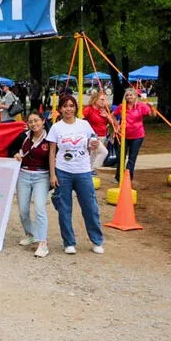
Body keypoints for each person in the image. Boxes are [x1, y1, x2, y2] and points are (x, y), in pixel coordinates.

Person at [47, 95, 104, 255]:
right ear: (60, 109)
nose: (68, 109)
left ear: (75, 108)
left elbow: (93, 143)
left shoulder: (84, 125)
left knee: (90, 207)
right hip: (63, 171)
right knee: (64, 208)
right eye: (65, 106)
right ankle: (69, 242)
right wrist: (53, 174)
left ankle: (97, 240)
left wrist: (94, 144)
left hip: (83, 171)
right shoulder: (56, 128)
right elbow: (52, 152)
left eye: (71, 106)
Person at [11, 112, 50, 258]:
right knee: (23, 210)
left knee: (40, 208)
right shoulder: (23, 136)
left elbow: (54, 157)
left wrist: (54, 177)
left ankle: (43, 243)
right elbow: (11, 148)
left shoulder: (50, 138)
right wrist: (14, 153)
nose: (34, 124)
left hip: (42, 176)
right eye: (30, 121)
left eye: (36, 121)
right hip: (24, 175)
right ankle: (30, 234)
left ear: (43, 121)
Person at [112, 88, 157, 181]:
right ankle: (118, 176)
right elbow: (112, 115)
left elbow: (153, 115)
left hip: (137, 135)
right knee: (121, 157)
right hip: (123, 135)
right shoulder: (122, 106)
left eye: (131, 95)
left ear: (135, 96)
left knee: (132, 158)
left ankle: (128, 178)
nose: (129, 97)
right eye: (127, 95)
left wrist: (152, 107)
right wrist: (117, 125)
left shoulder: (141, 106)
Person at [83, 91, 117, 175]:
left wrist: (108, 117)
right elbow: (81, 119)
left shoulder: (104, 110)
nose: (104, 102)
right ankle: (91, 169)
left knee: (93, 155)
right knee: (104, 152)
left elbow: (113, 124)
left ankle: (89, 170)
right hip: (93, 136)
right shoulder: (89, 109)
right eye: (101, 99)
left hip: (103, 136)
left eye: (104, 100)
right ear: (95, 100)